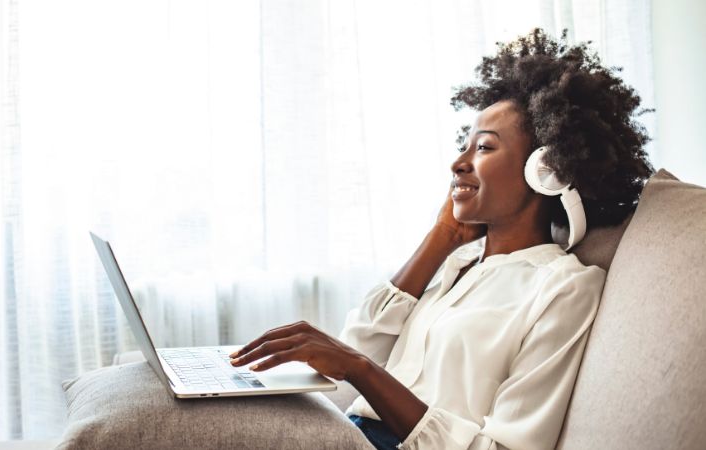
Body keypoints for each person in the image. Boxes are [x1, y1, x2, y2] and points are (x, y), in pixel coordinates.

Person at [228, 28, 654, 450]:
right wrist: (440, 239)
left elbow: (502, 446)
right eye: (464, 146)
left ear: (547, 168)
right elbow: (360, 346)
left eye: (484, 149)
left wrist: (359, 370)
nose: (458, 162)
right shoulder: (460, 263)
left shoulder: (565, 286)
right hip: (346, 432)